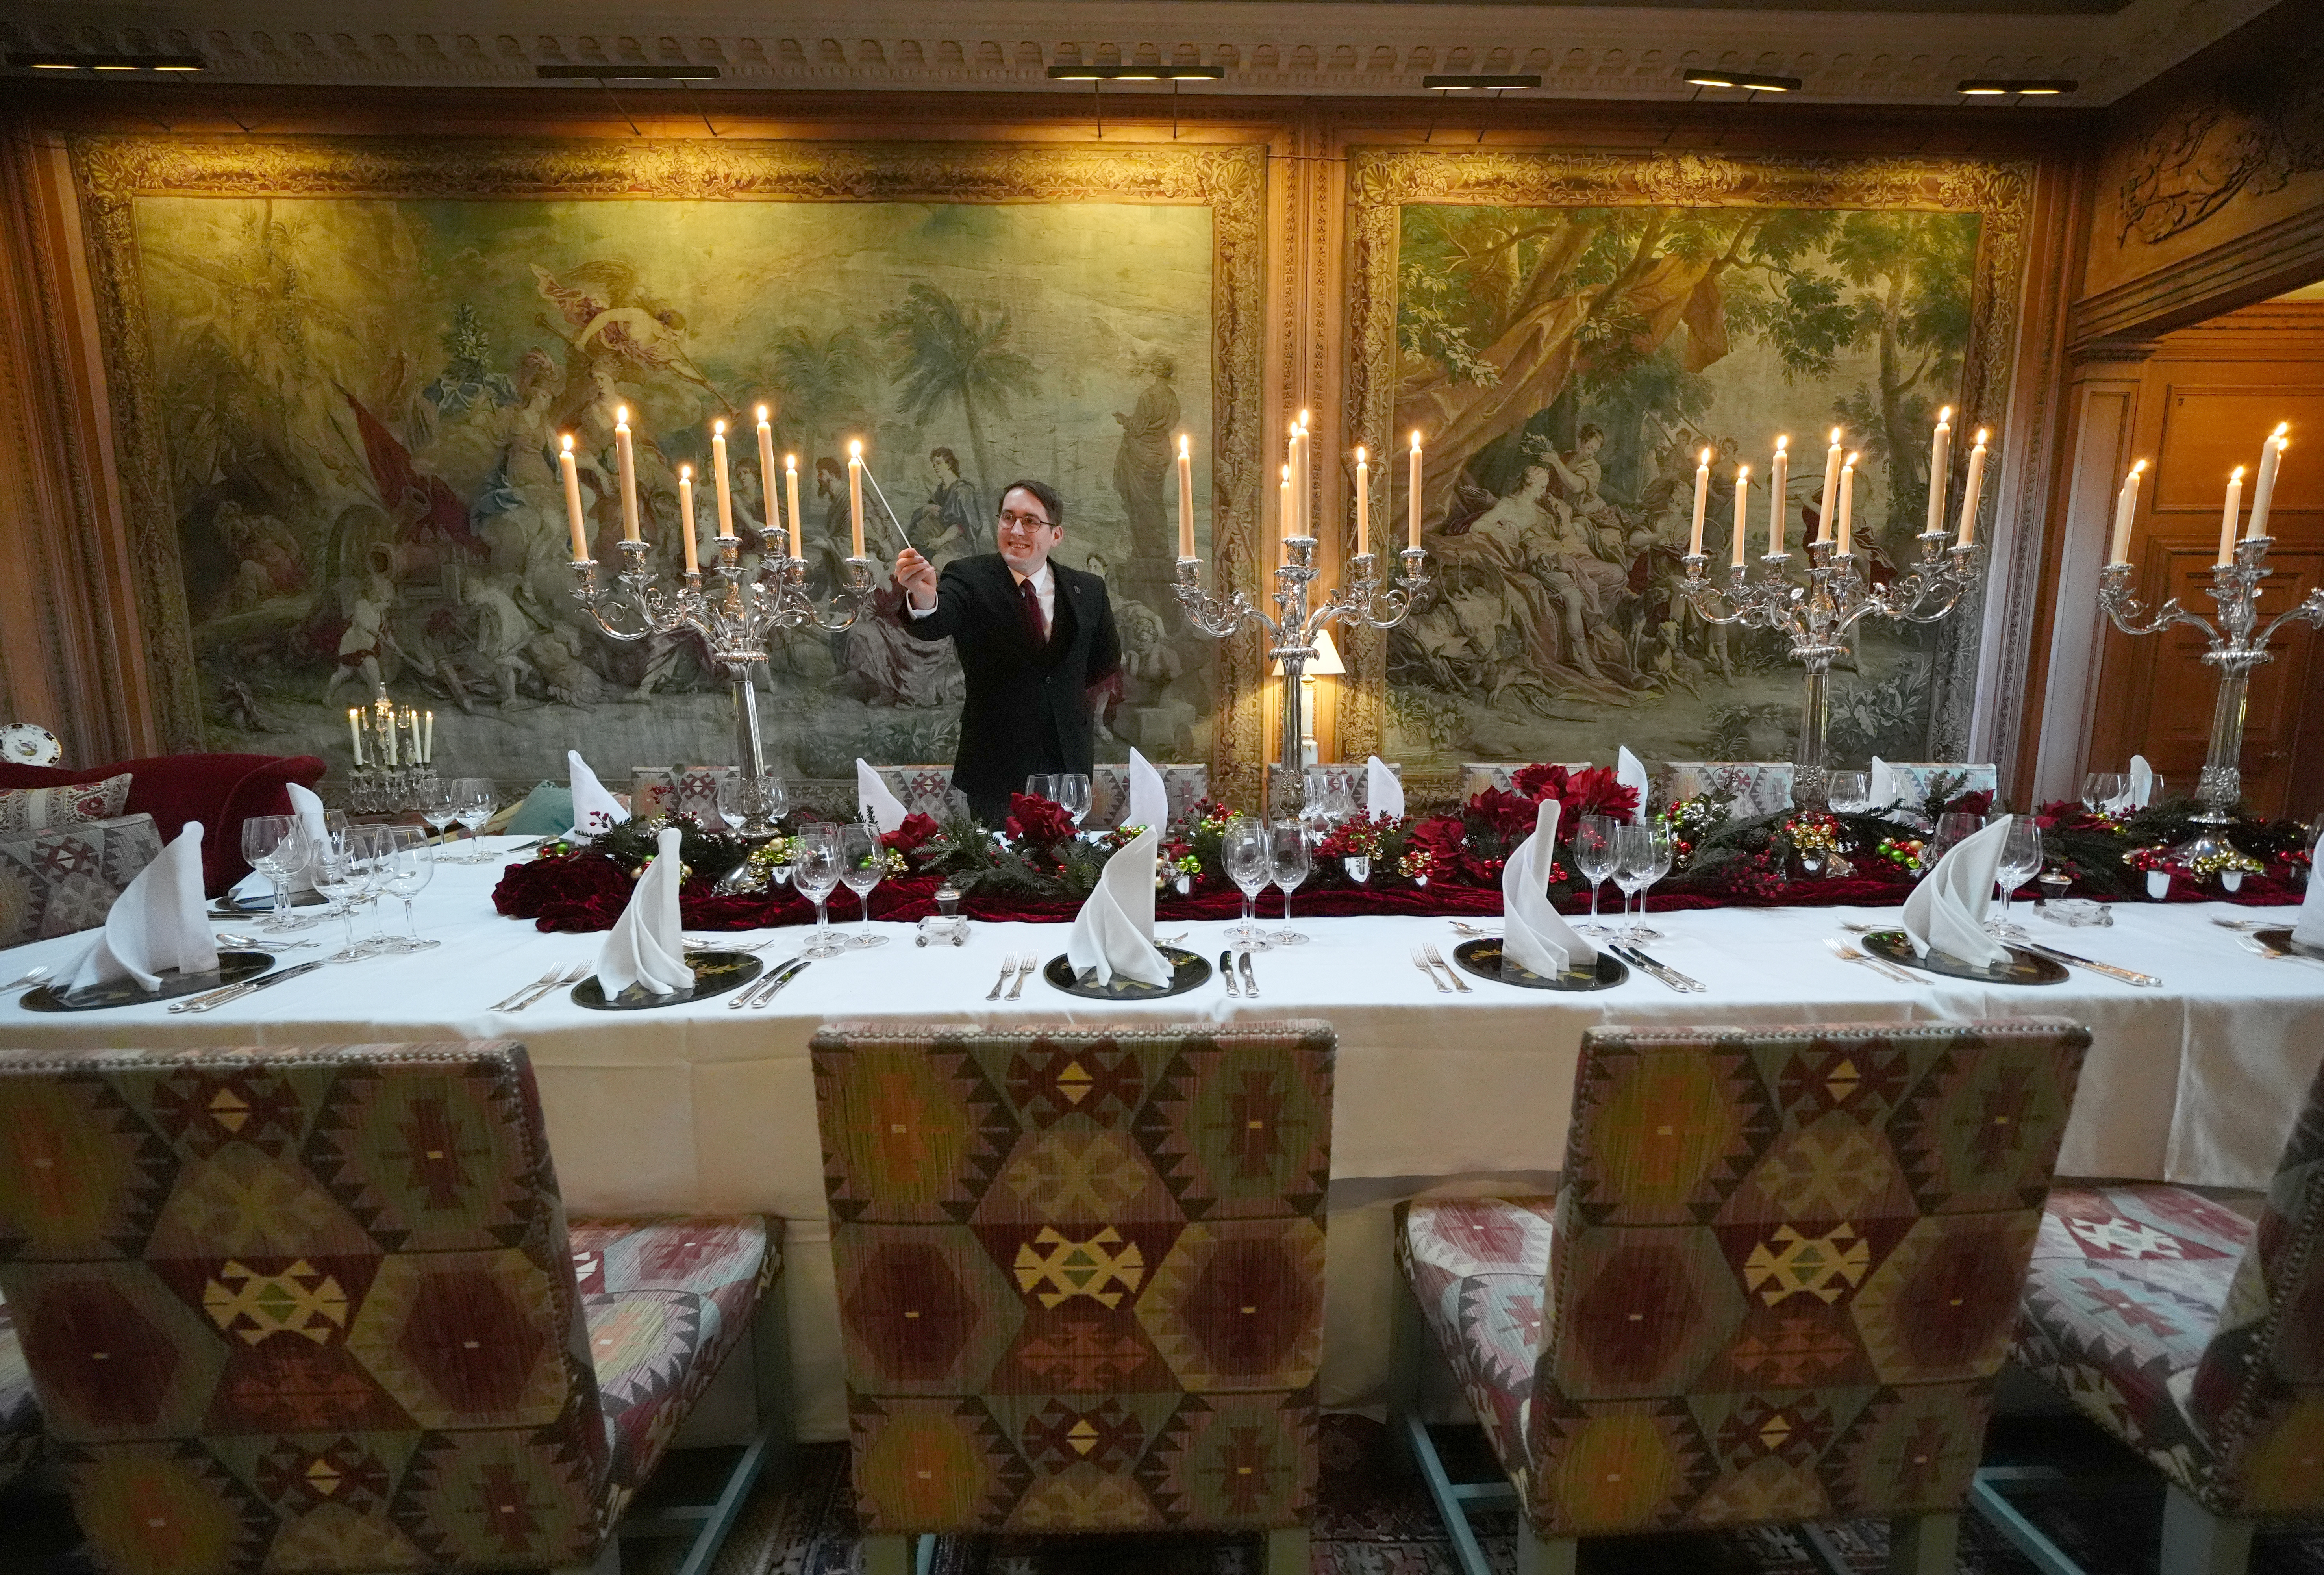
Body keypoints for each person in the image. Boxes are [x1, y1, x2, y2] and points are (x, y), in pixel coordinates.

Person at [894, 479, 1122, 825]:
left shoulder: (1089, 589)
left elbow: (1104, 662)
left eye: (1030, 521)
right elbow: (936, 620)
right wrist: (923, 597)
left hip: (1068, 768)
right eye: (1008, 518)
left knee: (1066, 860)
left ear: (1056, 535)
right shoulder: (968, 576)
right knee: (998, 861)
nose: (1016, 530)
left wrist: (1059, 694)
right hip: (995, 768)